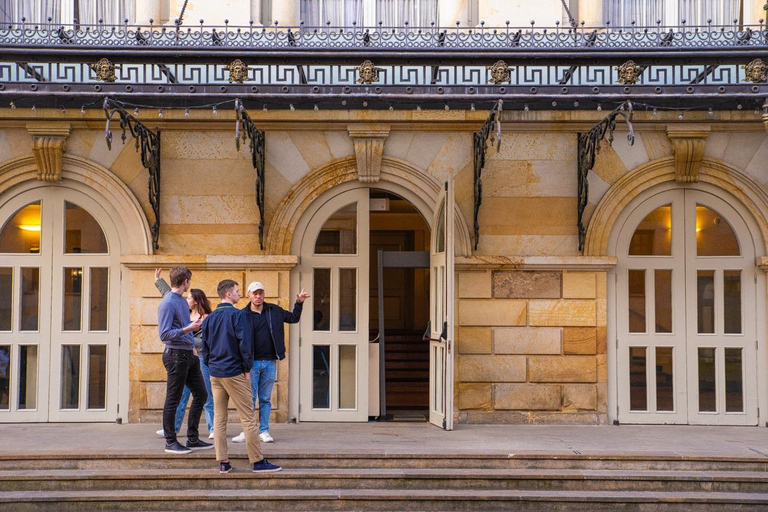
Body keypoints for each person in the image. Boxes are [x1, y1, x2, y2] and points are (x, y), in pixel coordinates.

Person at [202, 279, 281, 474]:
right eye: (237, 291)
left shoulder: (210, 318)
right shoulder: (239, 316)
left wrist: (211, 366)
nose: (239, 294)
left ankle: (223, 462)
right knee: (248, 418)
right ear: (228, 294)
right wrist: (247, 369)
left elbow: (205, 347)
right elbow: (245, 345)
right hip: (234, 372)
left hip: (215, 372)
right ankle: (257, 460)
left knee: (220, 419)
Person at [232, 281, 309, 444]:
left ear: (264, 294)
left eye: (260, 293)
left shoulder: (274, 310)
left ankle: (264, 430)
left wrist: (299, 303)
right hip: (250, 364)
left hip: (269, 362)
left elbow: (294, 318)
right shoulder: (241, 314)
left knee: (265, 398)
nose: (258, 296)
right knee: (249, 399)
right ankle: (247, 431)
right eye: (255, 293)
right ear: (249, 295)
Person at [157, 266, 213, 454]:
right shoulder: (168, 303)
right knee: (173, 399)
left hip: (189, 355)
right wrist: (189, 329)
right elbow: (164, 334)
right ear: (186, 282)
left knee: (201, 394)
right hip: (175, 356)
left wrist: (191, 346)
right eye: (190, 281)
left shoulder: (181, 301)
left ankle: (192, 438)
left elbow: (181, 325)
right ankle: (170, 442)